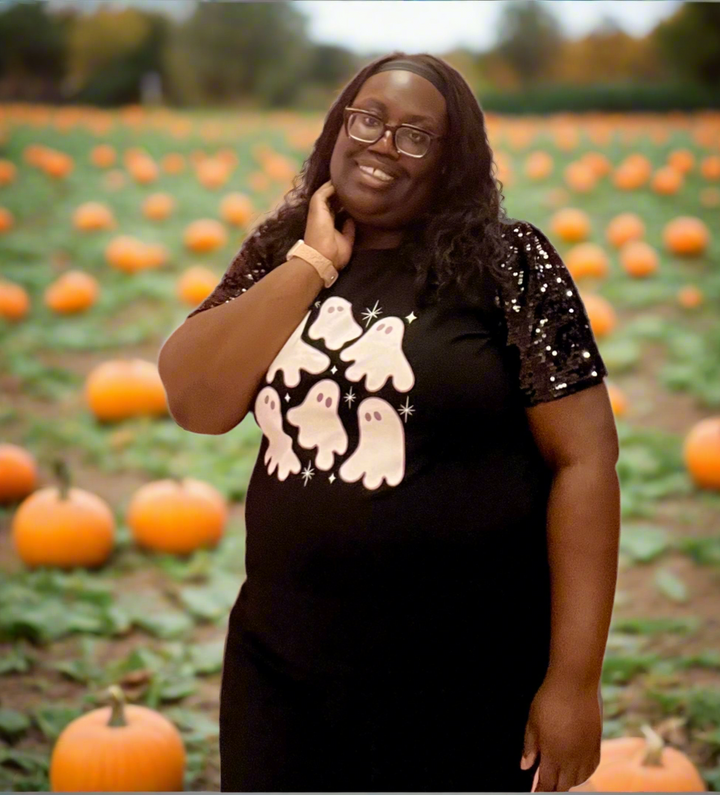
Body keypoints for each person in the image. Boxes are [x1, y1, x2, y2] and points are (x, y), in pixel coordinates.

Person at [158, 52, 620, 793]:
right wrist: (311, 262)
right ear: (339, 124)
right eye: (368, 119)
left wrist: (574, 681)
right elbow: (195, 401)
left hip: (461, 668)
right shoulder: (283, 249)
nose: (380, 143)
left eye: (414, 135)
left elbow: (586, 462)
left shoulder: (507, 263)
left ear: (450, 161)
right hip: (283, 661)